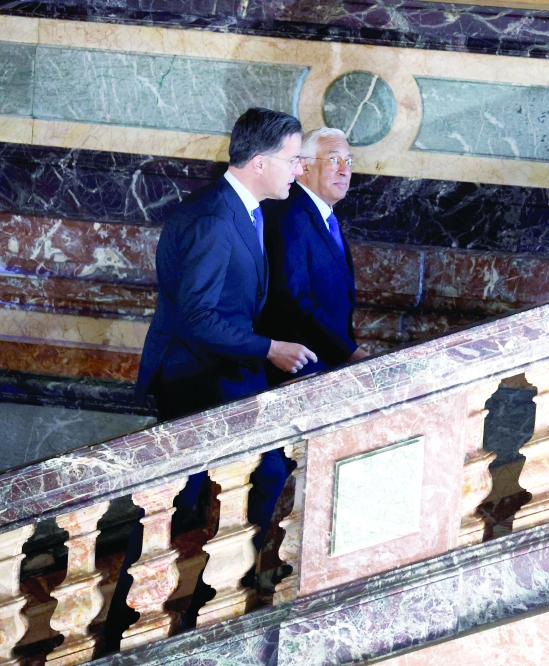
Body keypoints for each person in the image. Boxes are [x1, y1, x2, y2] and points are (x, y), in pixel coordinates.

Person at [105, 108, 317, 649]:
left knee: (238, 483)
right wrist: (269, 349)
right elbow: (199, 319)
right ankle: (132, 622)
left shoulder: (242, 210)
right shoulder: (214, 220)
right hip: (197, 381)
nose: (300, 169)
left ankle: (210, 601)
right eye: (294, 160)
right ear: (262, 161)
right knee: (184, 499)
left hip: (222, 375)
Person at [259, 127, 368, 386]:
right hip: (300, 371)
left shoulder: (324, 213)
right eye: (334, 160)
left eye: (349, 161)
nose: (345, 170)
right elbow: (292, 300)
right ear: (304, 167)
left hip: (326, 366)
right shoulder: (291, 215)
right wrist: (351, 352)